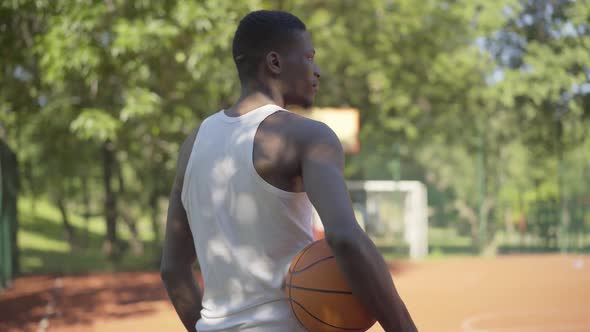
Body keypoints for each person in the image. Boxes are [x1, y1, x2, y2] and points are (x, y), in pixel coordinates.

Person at [160, 10, 418, 332]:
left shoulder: (193, 144)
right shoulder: (308, 136)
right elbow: (345, 239)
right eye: (309, 57)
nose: (317, 71)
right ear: (275, 63)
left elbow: (173, 268)